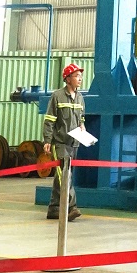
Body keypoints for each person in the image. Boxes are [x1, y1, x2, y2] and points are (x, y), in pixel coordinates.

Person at [42, 62, 85, 222]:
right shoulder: (57, 96)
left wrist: (82, 125)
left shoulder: (80, 98)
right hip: (60, 143)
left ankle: (54, 208)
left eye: (80, 76)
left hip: (74, 143)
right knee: (65, 176)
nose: (80, 78)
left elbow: (81, 117)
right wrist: (47, 140)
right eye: (76, 76)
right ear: (67, 79)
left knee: (61, 176)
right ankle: (71, 207)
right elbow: (49, 120)